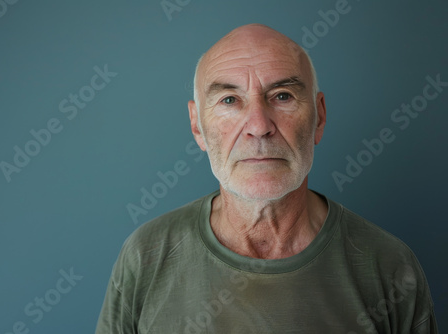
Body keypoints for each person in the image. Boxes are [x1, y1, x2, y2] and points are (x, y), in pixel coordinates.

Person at [95, 24, 438, 333]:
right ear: (197, 126)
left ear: (318, 117)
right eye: (230, 100)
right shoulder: (147, 254)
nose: (259, 126)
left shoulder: (389, 265)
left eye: (283, 96)